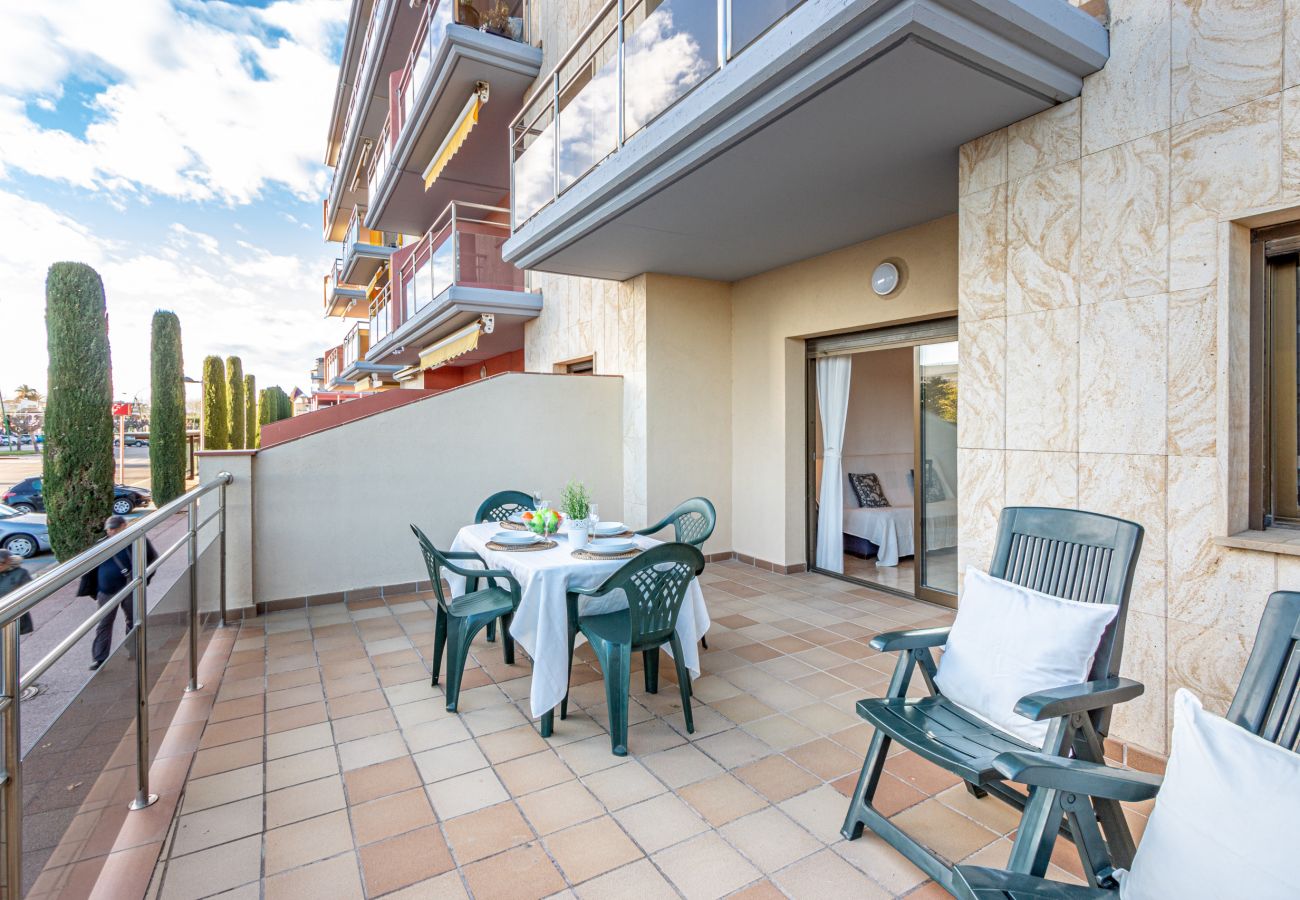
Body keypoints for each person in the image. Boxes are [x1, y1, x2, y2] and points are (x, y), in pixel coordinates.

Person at [77, 516, 157, 671]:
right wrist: (93, 590)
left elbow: (151, 558)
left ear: (123, 526)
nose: (110, 531)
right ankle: (100, 659)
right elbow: (90, 568)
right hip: (106, 591)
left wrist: (142, 580)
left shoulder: (136, 539)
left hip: (129, 587)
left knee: (133, 620)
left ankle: (135, 650)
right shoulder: (101, 545)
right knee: (104, 624)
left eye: (114, 528)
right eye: (108, 529)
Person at [0, 550, 34, 635]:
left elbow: (28, 593)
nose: (0, 564)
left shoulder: (21, 573)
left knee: (10, 641)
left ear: (9, 560)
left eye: (2, 562)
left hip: (14, 615)